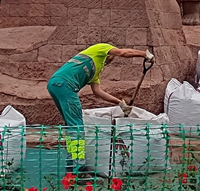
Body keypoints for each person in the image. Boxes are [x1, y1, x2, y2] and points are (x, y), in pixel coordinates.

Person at [47, 44, 154, 172]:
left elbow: (98, 92)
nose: (111, 59)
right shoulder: (100, 49)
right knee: (77, 127)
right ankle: (78, 168)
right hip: (66, 85)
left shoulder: (97, 71)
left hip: (55, 84)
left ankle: (71, 164)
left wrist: (120, 103)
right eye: (111, 55)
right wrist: (144, 54)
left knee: (72, 127)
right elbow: (123, 53)